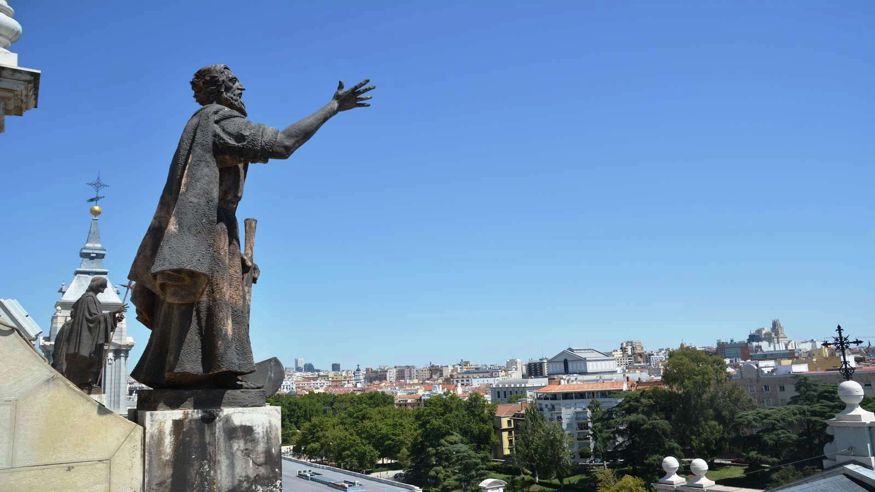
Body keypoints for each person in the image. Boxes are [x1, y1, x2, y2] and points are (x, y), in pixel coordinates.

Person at [128, 64, 373, 389]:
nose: (242, 88)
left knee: (205, 300)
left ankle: (196, 371)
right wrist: (333, 107)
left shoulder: (200, 123)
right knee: (213, 300)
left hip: (203, 228)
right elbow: (283, 143)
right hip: (210, 230)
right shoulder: (220, 123)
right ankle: (207, 373)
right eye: (234, 82)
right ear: (221, 89)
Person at [52, 277, 125, 390]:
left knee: (90, 362)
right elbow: (91, 319)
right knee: (84, 361)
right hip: (83, 335)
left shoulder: (91, 298)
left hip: (86, 333)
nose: (104, 290)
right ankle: (83, 382)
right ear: (97, 286)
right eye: (102, 287)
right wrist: (113, 312)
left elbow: (96, 320)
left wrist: (114, 319)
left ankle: (86, 382)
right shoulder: (88, 299)